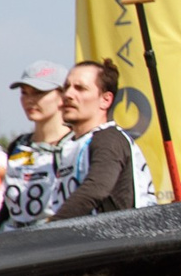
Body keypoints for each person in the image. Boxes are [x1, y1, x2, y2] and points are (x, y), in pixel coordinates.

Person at [53, 60, 156, 218]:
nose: (68, 95)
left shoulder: (108, 139)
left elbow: (96, 188)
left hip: (120, 240)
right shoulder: (71, 144)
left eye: (80, 88)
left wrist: (49, 230)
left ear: (105, 100)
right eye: (66, 87)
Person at [0, 61, 78, 232]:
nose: (29, 100)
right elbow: (8, 202)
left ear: (62, 96)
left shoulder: (75, 143)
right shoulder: (19, 144)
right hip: (13, 238)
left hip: (54, 238)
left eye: (39, 93)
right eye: (24, 93)